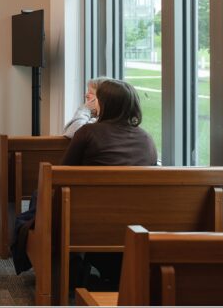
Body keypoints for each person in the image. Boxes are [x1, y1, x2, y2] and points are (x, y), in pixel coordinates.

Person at [12, 78, 157, 277]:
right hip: (134, 219)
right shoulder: (147, 139)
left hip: (88, 218)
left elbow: (62, 174)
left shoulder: (88, 132)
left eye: (99, 100)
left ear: (106, 104)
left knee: (41, 196)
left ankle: (65, 265)